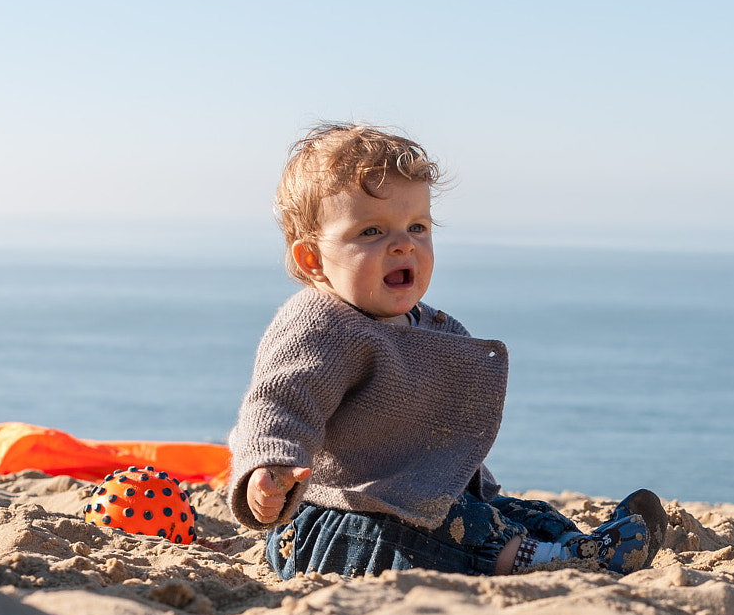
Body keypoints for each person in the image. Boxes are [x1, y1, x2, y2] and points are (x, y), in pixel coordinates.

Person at [227, 123, 667, 580]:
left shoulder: (435, 327)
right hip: (332, 523)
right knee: (458, 530)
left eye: (417, 227)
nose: (403, 244)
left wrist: (477, 490)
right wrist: (269, 468)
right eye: (372, 230)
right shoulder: (320, 324)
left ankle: (576, 547)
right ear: (313, 260)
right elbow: (279, 403)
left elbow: (440, 433)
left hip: (413, 505)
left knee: (519, 514)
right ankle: (552, 562)